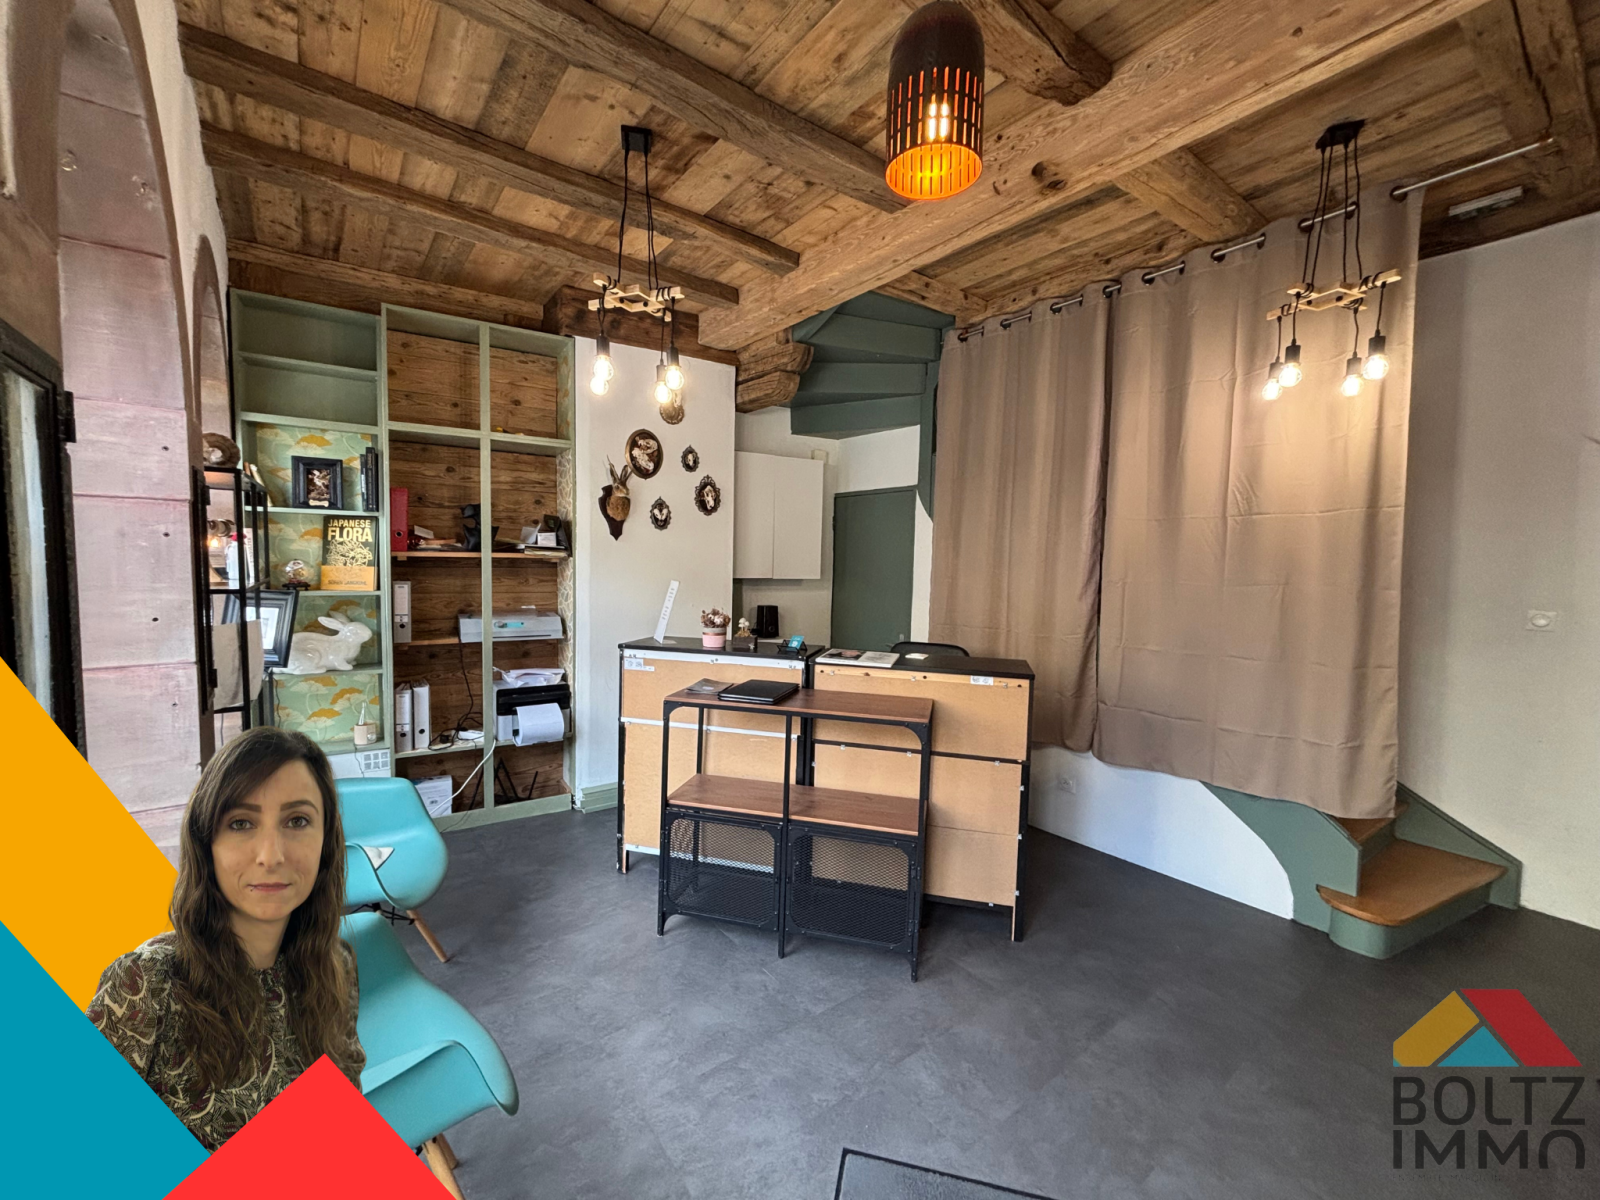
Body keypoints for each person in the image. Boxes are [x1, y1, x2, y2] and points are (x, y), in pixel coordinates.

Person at [88, 727, 365, 1149]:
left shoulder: (337, 966)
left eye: (297, 821)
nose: (271, 855)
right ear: (207, 844)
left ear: (326, 842)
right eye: (241, 823)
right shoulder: (146, 985)